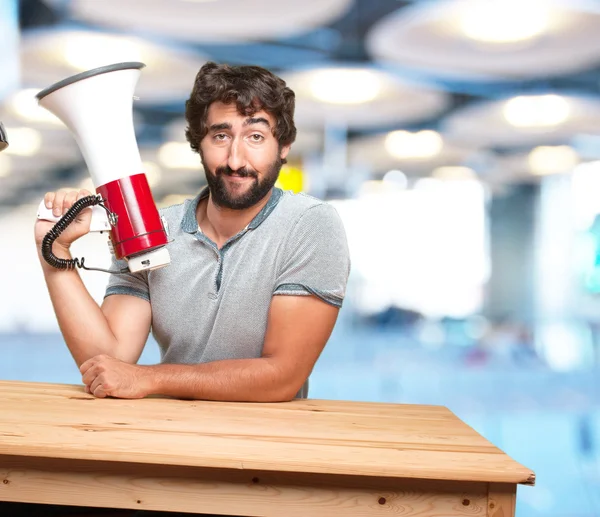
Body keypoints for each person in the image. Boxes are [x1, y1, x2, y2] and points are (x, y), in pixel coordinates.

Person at [34, 61, 350, 404]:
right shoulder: (152, 229)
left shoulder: (310, 225)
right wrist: (54, 251)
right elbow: (109, 361)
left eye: (256, 136)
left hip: (264, 443)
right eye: (221, 135)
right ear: (199, 142)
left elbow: (281, 377)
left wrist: (149, 378)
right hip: (171, 435)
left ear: (284, 146)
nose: (235, 159)